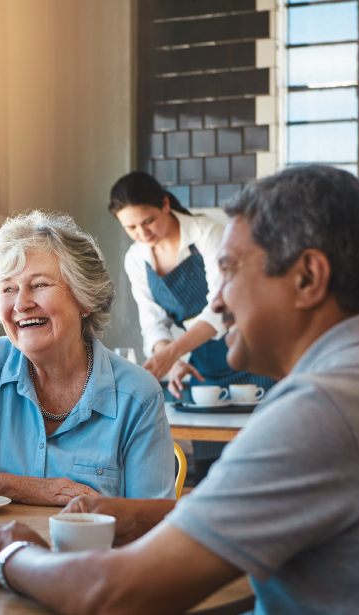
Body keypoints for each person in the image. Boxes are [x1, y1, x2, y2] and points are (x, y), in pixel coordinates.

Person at [0, 165, 359, 614]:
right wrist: (141, 514)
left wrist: (7, 555)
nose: (216, 301)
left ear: (308, 277)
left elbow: (116, 594)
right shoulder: (355, 382)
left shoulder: (319, 411)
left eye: (230, 271)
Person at [0, 211, 174, 505]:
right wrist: (21, 487)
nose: (21, 304)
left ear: (84, 299)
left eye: (39, 285)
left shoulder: (137, 396)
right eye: (8, 289)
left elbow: (155, 522)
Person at [109, 171, 274, 479]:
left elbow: (219, 311)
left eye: (148, 221)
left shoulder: (209, 234)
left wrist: (171, 354)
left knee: (260, 461)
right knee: (213, 472)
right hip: (203, 367)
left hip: (247, 354)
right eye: (131, 227)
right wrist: (172, 363)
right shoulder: (136, 259)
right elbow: (153, 323)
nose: (142, 233)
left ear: (165, 205)